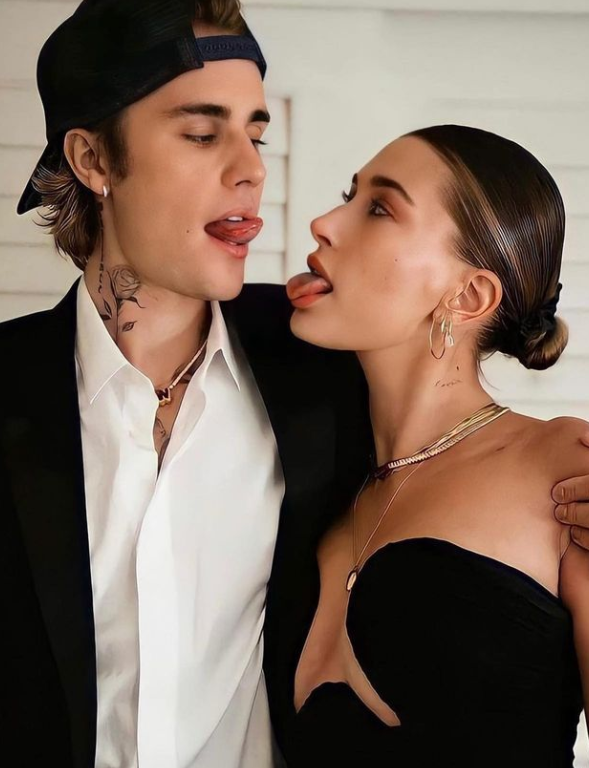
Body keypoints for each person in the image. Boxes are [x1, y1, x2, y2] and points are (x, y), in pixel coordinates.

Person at [1, 2, 589, 766]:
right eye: (202, 133)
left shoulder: (320, 369)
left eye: (255, 135)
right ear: (94, 160)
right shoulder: (14, 386)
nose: (252, 171)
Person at [283, 125, 589, 767]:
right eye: (350, 195)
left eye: (379, 209)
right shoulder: (322, 487)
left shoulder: (564, 473)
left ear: (468, 295)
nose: (323, 224)